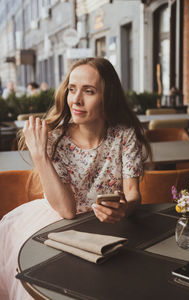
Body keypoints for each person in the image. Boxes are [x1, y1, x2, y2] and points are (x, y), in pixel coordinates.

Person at [0, 57, 151, 299]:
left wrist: (125, 208)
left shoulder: (124, 134)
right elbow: (67, 211)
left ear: (107, 97)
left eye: (88, 91)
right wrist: (40, 156)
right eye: (72, 89)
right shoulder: (57, 137)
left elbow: (133, 194)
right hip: (59, 222)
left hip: (106, 226)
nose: (76, 100)